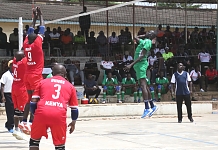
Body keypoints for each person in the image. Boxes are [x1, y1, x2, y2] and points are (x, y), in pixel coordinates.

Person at [29, 64, 78, 150]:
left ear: (52, 73)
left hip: (42, 113)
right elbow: (74, 109)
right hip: (58, 116)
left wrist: (34, 114)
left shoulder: (42, 82)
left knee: (34, 142)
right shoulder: (70, 86)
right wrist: (73, 122)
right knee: (60, 146)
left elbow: (33, 103)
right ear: (65, 74)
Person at [19, 7, 45, 134]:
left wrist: (34, 16)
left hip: (27, 75)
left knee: (29, 100)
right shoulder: (36, 45)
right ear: (36, 39)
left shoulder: (26, 44)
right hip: (35, 77)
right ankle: (31, 123)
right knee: (36, 101)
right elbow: (42, 28)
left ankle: (24, 122)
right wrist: (41, 15)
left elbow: (31, 29)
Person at [124, 30, 158, 118]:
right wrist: (144, 35)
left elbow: (142, 55)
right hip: (139, 65)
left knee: (143, 86)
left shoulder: (148, 42)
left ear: (152, 36)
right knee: (145, 86)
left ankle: (147, 108)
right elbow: (135, 37)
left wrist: (131, 65)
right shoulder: (144, 40)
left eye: (149, 33)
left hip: (141, 65)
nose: (148, 33)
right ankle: (152, 106)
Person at [12, 51, 28, 139]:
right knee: (22, 110)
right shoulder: (22, 64)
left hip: (14, 87)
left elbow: (18, 56)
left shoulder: (15, 62)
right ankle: (22, 131)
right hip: (21, 89)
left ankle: (16, 128)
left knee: (16, 109)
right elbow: (27, 56)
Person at [1, 60, 14, 133]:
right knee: (10, 111)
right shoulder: (5, 75)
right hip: (8, 94)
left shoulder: (17, 74)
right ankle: (10, 126)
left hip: (15, 94)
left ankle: (8, 123)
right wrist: (3, 96)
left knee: (16, 111)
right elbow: (2, 86)